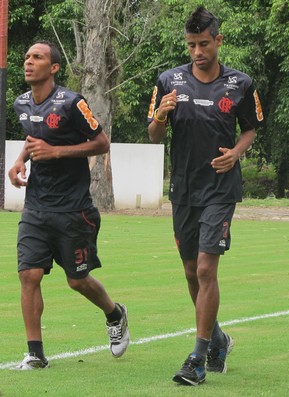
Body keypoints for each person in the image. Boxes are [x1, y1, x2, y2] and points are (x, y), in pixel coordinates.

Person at [148, 6, 263, 386]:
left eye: (203, 44)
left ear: (218, 41)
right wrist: (161, 115)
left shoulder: (241, 84)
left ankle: (197, 359)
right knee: (188, 271)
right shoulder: (168, 81)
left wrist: (236, 152)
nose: (197, 51)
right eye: (191, 45)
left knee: (205, 269)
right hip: (183, 189)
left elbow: (250, 129)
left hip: (220, 188)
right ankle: (217, 339)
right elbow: (153, 135)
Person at [8, 40, 130, 370]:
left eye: (37, 57)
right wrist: (19, 160)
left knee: (77, 280)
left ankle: (115, 313)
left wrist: (57, 152)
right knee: (29, 275)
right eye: (27, 56)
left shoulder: (71, 103)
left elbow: (102, 142)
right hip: (36, 208)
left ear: (54, 68)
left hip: (73, 209)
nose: (29, 62)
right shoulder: (22, 103)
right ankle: (35, 352)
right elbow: (34, 138)